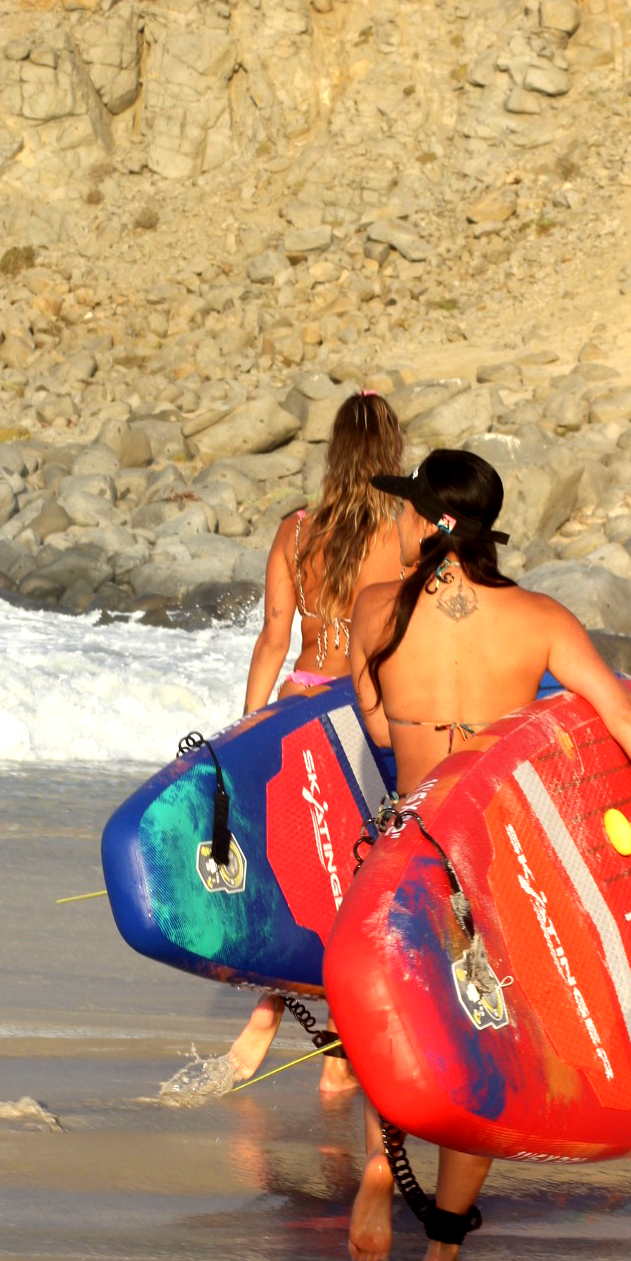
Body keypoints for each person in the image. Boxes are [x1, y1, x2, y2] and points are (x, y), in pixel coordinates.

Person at [346, 448, 631, 1261]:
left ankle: (378, 1162)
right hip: (491, 858)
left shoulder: (374, 609)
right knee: (487, 1037)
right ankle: (443, 1245)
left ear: (422, 520)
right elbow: (619, 712)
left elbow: (370, 724)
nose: (396, 521)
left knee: (389, 1016)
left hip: (406, 844)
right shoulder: (540, 618)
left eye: (404, 509)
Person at [226, 391, 407, 1092]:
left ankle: (278, 1012)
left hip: (298, 704)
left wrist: (246, 735)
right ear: (391, 455)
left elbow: (273, 640)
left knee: (299, 874)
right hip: (361, 716)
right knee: (354, 882)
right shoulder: (399, 537)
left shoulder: (296, 531)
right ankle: (329, 1047)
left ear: (333, 451)